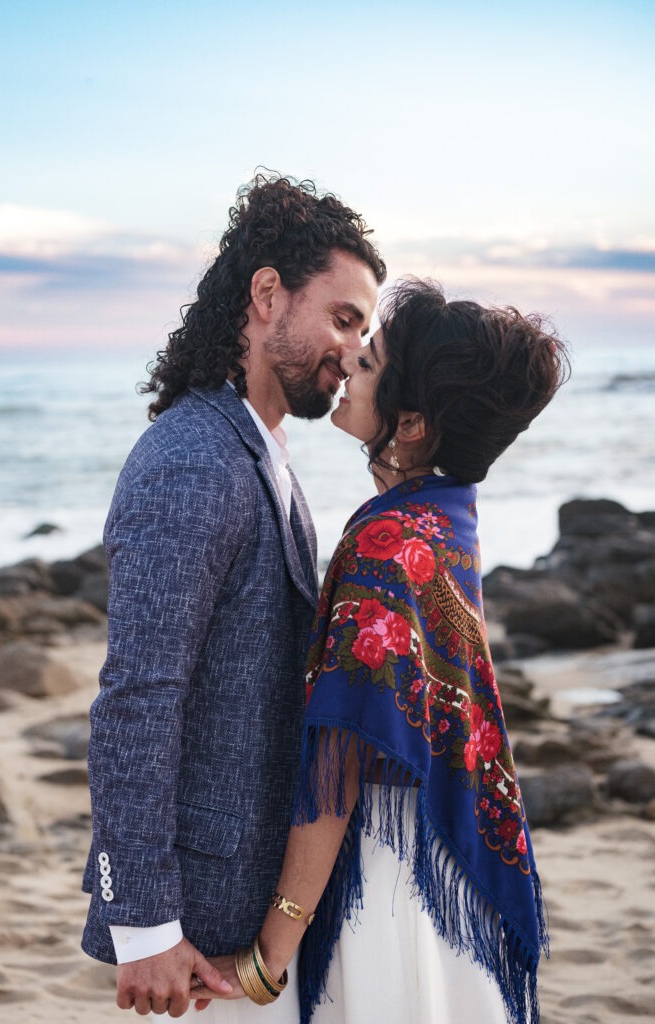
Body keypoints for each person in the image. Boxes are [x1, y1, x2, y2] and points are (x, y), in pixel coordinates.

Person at [194, 278, 570, 1024]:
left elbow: (340, 758)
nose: (346, 361)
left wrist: (270, 955)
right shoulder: (446, 515)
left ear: (411, 424)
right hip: (427, 859)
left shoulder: (388, 544)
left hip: (377, 879)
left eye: (367, 363)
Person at [80, 172, 385, 1019]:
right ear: (266, 295)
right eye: (342, 317)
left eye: (364, 330)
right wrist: (143, 923)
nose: (353, 350)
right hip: (192, 930)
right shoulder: (193, 461)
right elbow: (137, 697)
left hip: (248, 904)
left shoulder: (264, 453)